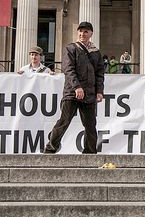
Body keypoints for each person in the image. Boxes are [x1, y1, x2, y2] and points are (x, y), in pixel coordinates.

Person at [44, 22, 104, 154]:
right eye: (80, 31)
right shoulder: (71, 48)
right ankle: (50, 148)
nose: (82, 34)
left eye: (86, 32)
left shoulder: (96, 52)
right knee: (64, 122)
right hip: (72, 93)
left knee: (90, 125)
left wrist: (99, 91)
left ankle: (90, 152)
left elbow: (99, 73)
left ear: (91, 34)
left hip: (89, 94)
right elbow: (68, 69)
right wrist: (77, 87)